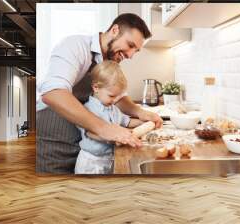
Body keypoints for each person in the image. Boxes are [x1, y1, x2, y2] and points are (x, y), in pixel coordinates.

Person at [36, 13, 163, 174]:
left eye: (135, 51)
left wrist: (141, 113)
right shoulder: (75, 46)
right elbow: (53, 92)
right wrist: (104, 128)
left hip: (86, 145)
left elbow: (119, 98)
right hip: (55, 141)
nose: (130, 55)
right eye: (130, 45)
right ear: (115, 30)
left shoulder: (110, 62)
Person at [74, 61, 143, 174]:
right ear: (96, 88)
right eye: (111, 96)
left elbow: (127, 121)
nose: (115, 100)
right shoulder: (88, 109)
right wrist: (113, 137)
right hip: (91, 163)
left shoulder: (113, 109)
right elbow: (90, 133)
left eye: (118, 96)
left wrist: (143, 122)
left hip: (107, 159)